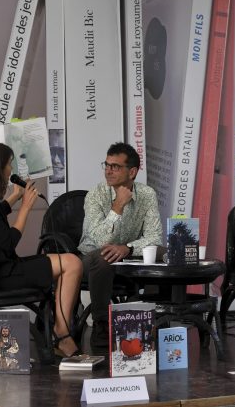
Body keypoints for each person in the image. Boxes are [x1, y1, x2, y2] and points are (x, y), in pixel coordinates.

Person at [0, 142, 83, 358]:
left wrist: (16, 196)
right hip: (3, 275)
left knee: (67, 262)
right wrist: (26, 207)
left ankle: (60, 328)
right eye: (8, 164)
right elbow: (9, 242)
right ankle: (62, 333)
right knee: (73, 263)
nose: (11, 169)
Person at [78, 142, 163, 348]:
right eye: (106, 165)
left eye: (115, 166)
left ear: (132, 172)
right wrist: (117, 206)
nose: (108, 171)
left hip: (127, 255)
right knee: (104, 256)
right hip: (91, 258)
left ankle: (153, 320)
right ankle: (101, 324)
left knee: (161, 252)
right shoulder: (95, 195)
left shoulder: (147, 194)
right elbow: (100, 240)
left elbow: (155, 237)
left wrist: (128, 248)